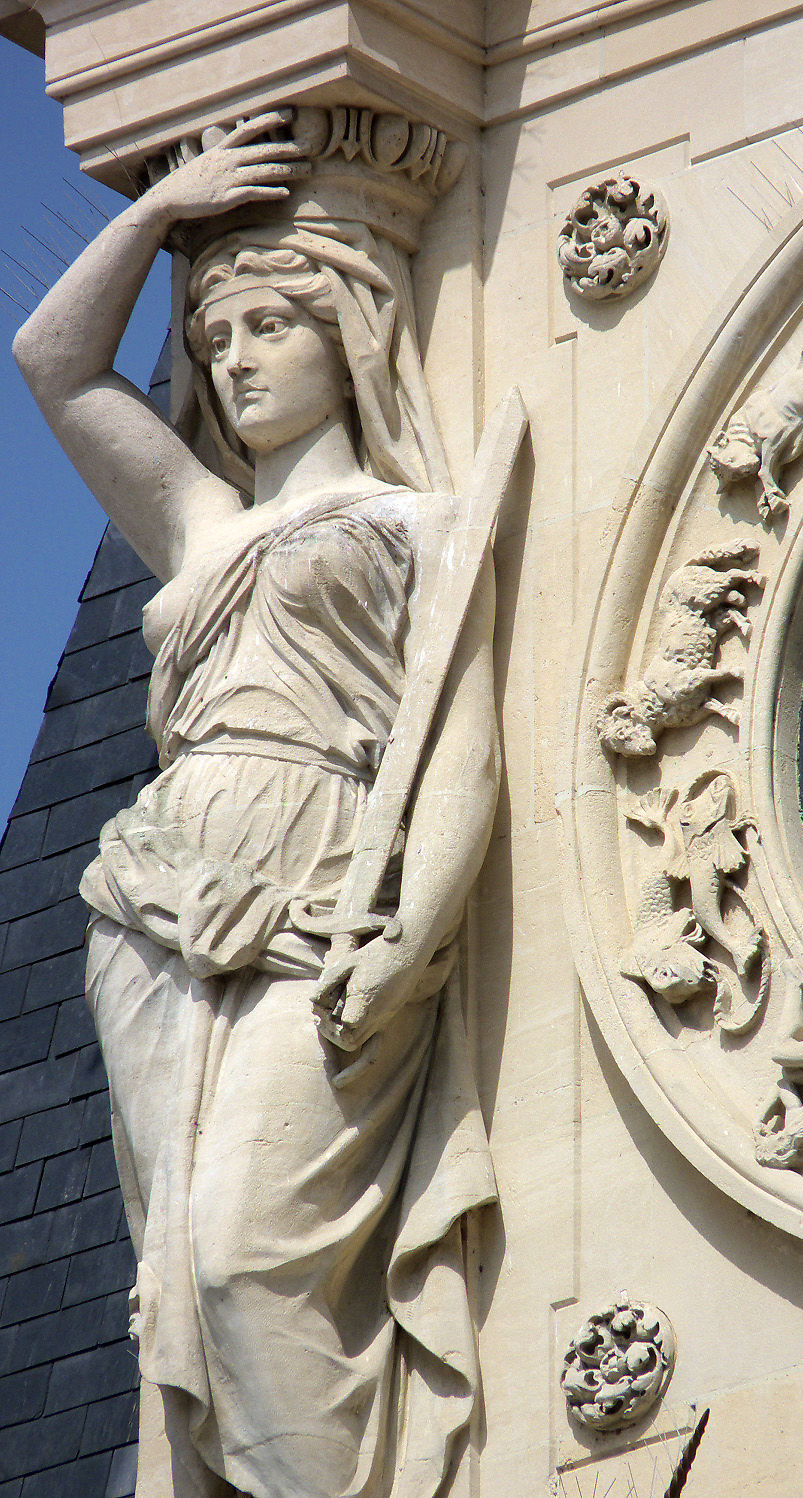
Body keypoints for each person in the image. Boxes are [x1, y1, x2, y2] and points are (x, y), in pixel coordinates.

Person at [12, 110, 499, 1498]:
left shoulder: (423, 528)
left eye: (268, 328)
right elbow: (52, 359)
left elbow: (459, 753)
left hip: (319, 898)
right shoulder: (198, 526)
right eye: (217, 342)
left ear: (344, 334)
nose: (234, 361)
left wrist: (407, 936)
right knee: (177, 1276)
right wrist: (169, 211)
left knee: (239, 1249)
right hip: (158, 904)